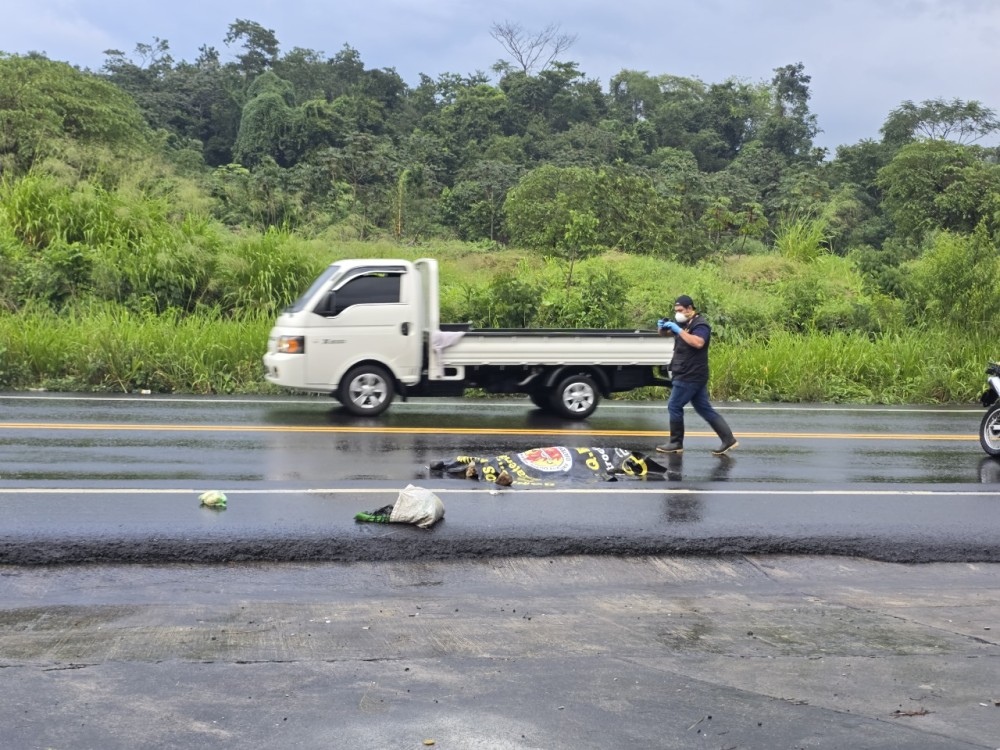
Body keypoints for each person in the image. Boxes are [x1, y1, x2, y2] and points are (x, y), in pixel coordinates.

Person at [656, 295, 738, 455]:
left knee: (674, 406)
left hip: (690, 374)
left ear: (689, 308)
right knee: (704, 408)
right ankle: (728, 439)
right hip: (691, 373)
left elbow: (698, 342)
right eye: (675, 311)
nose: (677, 313)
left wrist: (678, 329)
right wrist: (662, 328)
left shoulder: (701, 325)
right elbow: (667, 334)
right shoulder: (684, 323)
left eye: (680, 310)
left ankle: (676, 443)